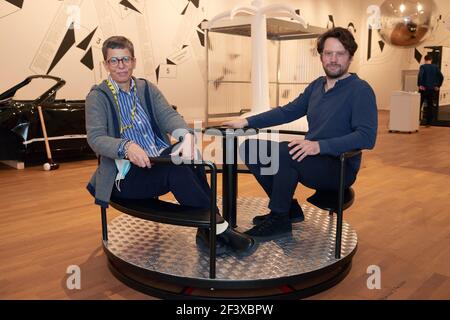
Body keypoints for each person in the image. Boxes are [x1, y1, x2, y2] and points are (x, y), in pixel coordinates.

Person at [85, 36, 254, 254]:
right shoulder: (97, 97)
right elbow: (96, 138)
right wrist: (126, 147)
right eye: (114, 61)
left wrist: (186, 136)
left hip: (157, 162)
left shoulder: (147, 89)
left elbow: (168, 116)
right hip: (126, 176)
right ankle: (220, 229)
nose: (121, 66)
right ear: (106, 65)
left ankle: (208, 229)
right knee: (177, 169)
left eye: (125, 59)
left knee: (188, 154)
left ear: (134, 61)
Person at [223, 27, 378, 241]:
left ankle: (279, 219)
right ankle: (289, 210)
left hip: (338, 166)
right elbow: (288, 111)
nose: (333, 59)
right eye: (328, 53)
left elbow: (366, 137)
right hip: (311, 158)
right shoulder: (317, 86)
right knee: (251, 148)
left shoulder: (360, 90)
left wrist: (318, 146)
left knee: (287, 153)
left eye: (340, 54)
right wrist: (247, 121)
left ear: (350, 56)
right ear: (321, 56)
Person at [418, 54, 443, 126]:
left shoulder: (423, 66)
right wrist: (438, 86)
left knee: (419, 104)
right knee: (430, 105)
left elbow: (420, 76)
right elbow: (441, 77)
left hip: (423, 89)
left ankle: (417, 120)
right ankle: (429, 122)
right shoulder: (435, 67)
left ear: (424, 60)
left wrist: (420, 85)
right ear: (431, 60)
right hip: (432, 89)